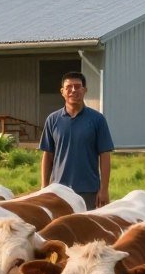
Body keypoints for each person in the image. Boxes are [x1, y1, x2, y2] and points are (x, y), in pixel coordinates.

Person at [39, 71, 113, 210]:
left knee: (86, 230)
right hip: (58, 190)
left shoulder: (97, 120)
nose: (73, 90)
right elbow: (48, 155)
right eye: (69, 87)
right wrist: (44, 186)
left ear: (84, 90)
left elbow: (105, 155)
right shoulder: (53, 120)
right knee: (59, 229)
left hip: (88, 191)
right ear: (62, 91)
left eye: (78, 86)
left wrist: (104, 190)